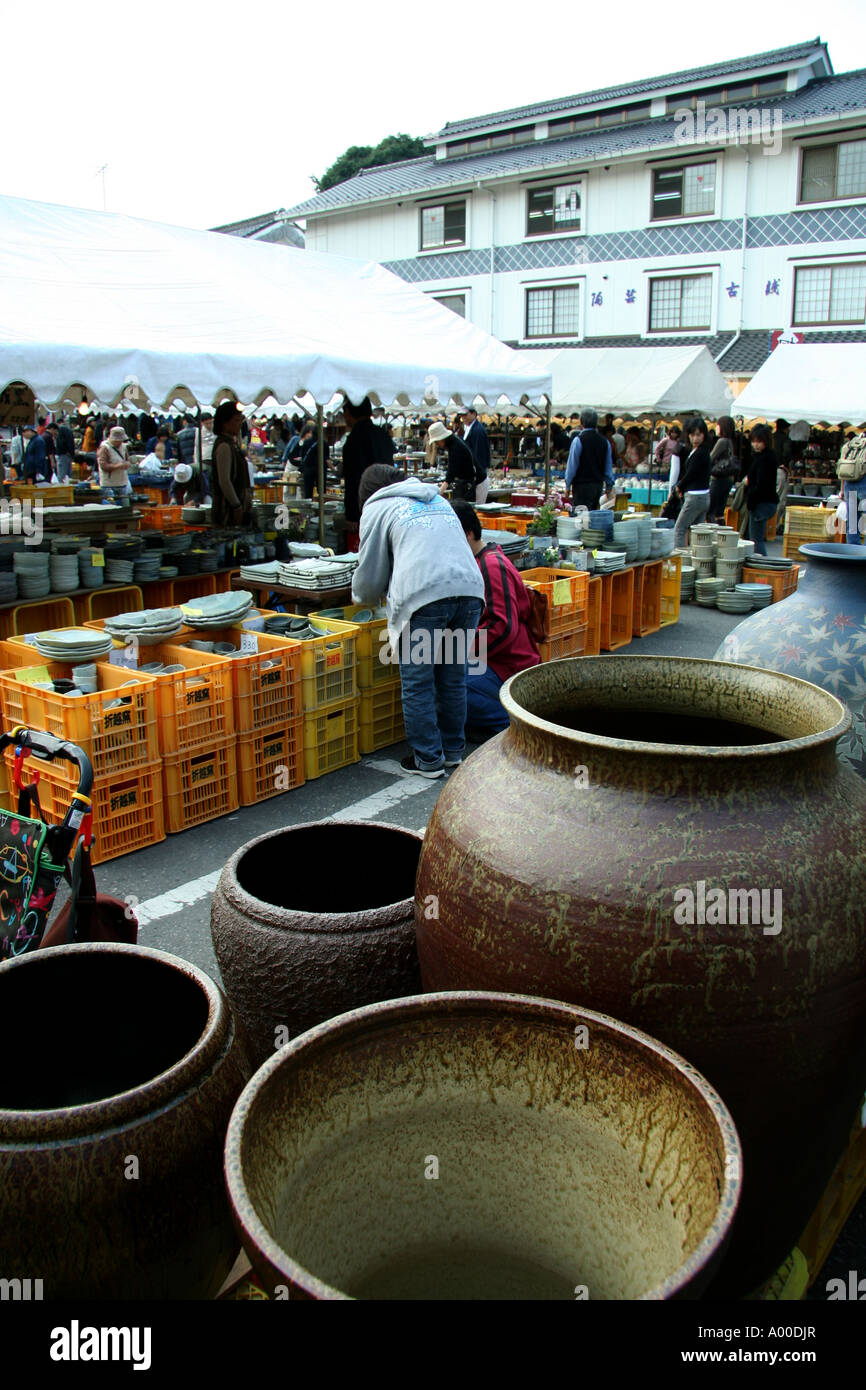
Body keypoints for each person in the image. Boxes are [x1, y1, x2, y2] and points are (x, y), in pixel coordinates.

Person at [352, 464, 484, 778]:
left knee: (418, 683)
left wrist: (361, 597)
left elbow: (369, 576)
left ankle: (427, 759)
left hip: (424, 597)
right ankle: (453, 752)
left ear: (367, 493)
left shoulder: (377, 507)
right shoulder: (437, 499)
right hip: (469, 591)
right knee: (452, 679)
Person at [451, 500, 540, 739]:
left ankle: (516, 726)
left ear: (468, 534)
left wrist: (460, 648)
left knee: (450, 686)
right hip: (498, 660)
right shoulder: (482, 561)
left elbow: (502, 627)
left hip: (510, 665)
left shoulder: (491, 566)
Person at [340, 397, 395, 553]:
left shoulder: (353, 441)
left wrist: (351, 515)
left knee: (363, 556)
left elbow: (352, 480)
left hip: (364, 509)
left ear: (349, 413)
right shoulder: (383, 435)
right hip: (389, 504)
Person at [672, 417, 713, 549]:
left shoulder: (701, 452)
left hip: (695, 496)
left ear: (703, 435)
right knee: (697, 532)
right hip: (703, 495)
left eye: (698, 435)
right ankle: (695, 560)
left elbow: (691, 473)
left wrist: (679, 485)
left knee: (679, 529)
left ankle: (680, 560)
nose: (695, 438)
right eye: (692, 435)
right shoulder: (700, 451)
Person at [565, 408, 615, 511]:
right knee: (593, 515)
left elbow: (572, 466)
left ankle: (582, 527)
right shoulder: (604, 442)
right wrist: (609, 485)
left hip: (581, 485)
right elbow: (608, 466)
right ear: (596, 423)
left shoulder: (578, 440)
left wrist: (567, 484)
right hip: (597, 485)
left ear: (581, 422)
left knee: (581, 517)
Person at [211, 401, 252, 527]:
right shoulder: (224, 446)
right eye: (236, 420)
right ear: (225, 423)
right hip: (227, 510)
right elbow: (224, 481)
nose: (240, 424)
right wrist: (236, 505)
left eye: (240, 420)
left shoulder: (232, 444)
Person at [745, 424, 779, 557]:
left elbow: (761, 484)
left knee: (756, 540)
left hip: (761, 503)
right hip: (765, 502)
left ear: (766, 441)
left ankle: (761, 566)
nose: (755, 444)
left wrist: (751, 500)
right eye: (753, 441)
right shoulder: (765, 457)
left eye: (759, 441)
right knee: (756, 539)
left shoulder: (765, 459)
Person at [429, 421, 476, 501]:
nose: (437, 444)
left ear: (442, 438)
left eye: (437, 442)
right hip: (466, 482)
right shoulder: (453, 444)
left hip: (470, 483)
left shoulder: (455, 447)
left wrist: (440, 492)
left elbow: (451, 472)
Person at [708, 416, 738, 523]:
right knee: (719, 512)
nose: (716, 428)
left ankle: (713, 534)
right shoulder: (731, 441)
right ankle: (722, 534)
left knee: (710, 510)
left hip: (719, 478)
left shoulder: (722, 441)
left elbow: (710, 458)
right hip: (728, 479)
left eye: (717, 425)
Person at [461, 407, 491, 503]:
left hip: (478, 475)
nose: (463, 418)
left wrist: (475, 474)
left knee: (476, 505)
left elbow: (479, 454)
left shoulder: (478, 430)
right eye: (462, 416)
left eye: (465, 415)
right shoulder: (470, 428)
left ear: (473, 414)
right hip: (473, 473)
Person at [96, 425, 132, 500]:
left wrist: (127, 464)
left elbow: (127, 459)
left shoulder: (123, 447)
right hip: (109, 485)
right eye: (118, 441)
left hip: (122, 483)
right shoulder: (104, 448)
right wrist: (118, 466)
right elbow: (104, 466)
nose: (120, 443)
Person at [299, 424, 329, 499]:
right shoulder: (324, 443)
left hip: (308, 470)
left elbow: (302, 456)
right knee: (321, 493)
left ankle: (308, 508)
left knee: (308, 493)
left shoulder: (306, 442)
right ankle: (321, 509)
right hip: (320, 471)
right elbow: (327, 459)